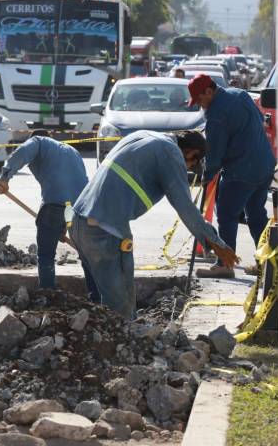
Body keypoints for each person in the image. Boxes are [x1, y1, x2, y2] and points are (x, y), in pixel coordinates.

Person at [70, 130, 238, 319]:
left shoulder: (142, 135)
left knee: (104, 299)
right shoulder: (170, 152)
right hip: (104, 231)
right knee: (121, 305)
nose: (187, 169)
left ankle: (104, 339)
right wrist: (215, 242)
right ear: (191, 153)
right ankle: (126, 342)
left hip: (79, 222)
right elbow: (185, 206)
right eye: (191, 164)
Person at [187, 74, 276, 277]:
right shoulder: (240, 94)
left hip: (241, 170)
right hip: (265, 165)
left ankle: (224, 265)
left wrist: (206, 175)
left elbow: (215, 153)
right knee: (256, 215)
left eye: (200, 100)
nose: (200, 105)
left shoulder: (216, 114)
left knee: (226, 214)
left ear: (209, 92)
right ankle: (266, 264)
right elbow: (260, 120)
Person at [0, 130, 88, 290]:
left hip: (54, 206)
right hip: (80, 209)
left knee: (46, 255)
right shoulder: (72, 151)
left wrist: (4, 178)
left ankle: (48, 293)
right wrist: (64, 226)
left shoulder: (38, 142)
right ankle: (97, 296)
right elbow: (77, 186)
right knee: (87, 256)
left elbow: (22, 153)